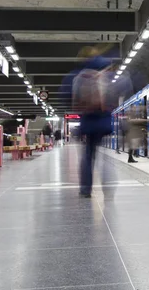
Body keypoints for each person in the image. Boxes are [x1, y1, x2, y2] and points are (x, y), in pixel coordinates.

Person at [61, 46, 114, 198]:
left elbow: (65, 95)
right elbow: (119, 92)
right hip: (105, 120)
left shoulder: (78, 75)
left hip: (88, 120)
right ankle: (108, 188)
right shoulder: (107, 73)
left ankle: (86, 189)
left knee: (88, 155)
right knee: (105, 156)